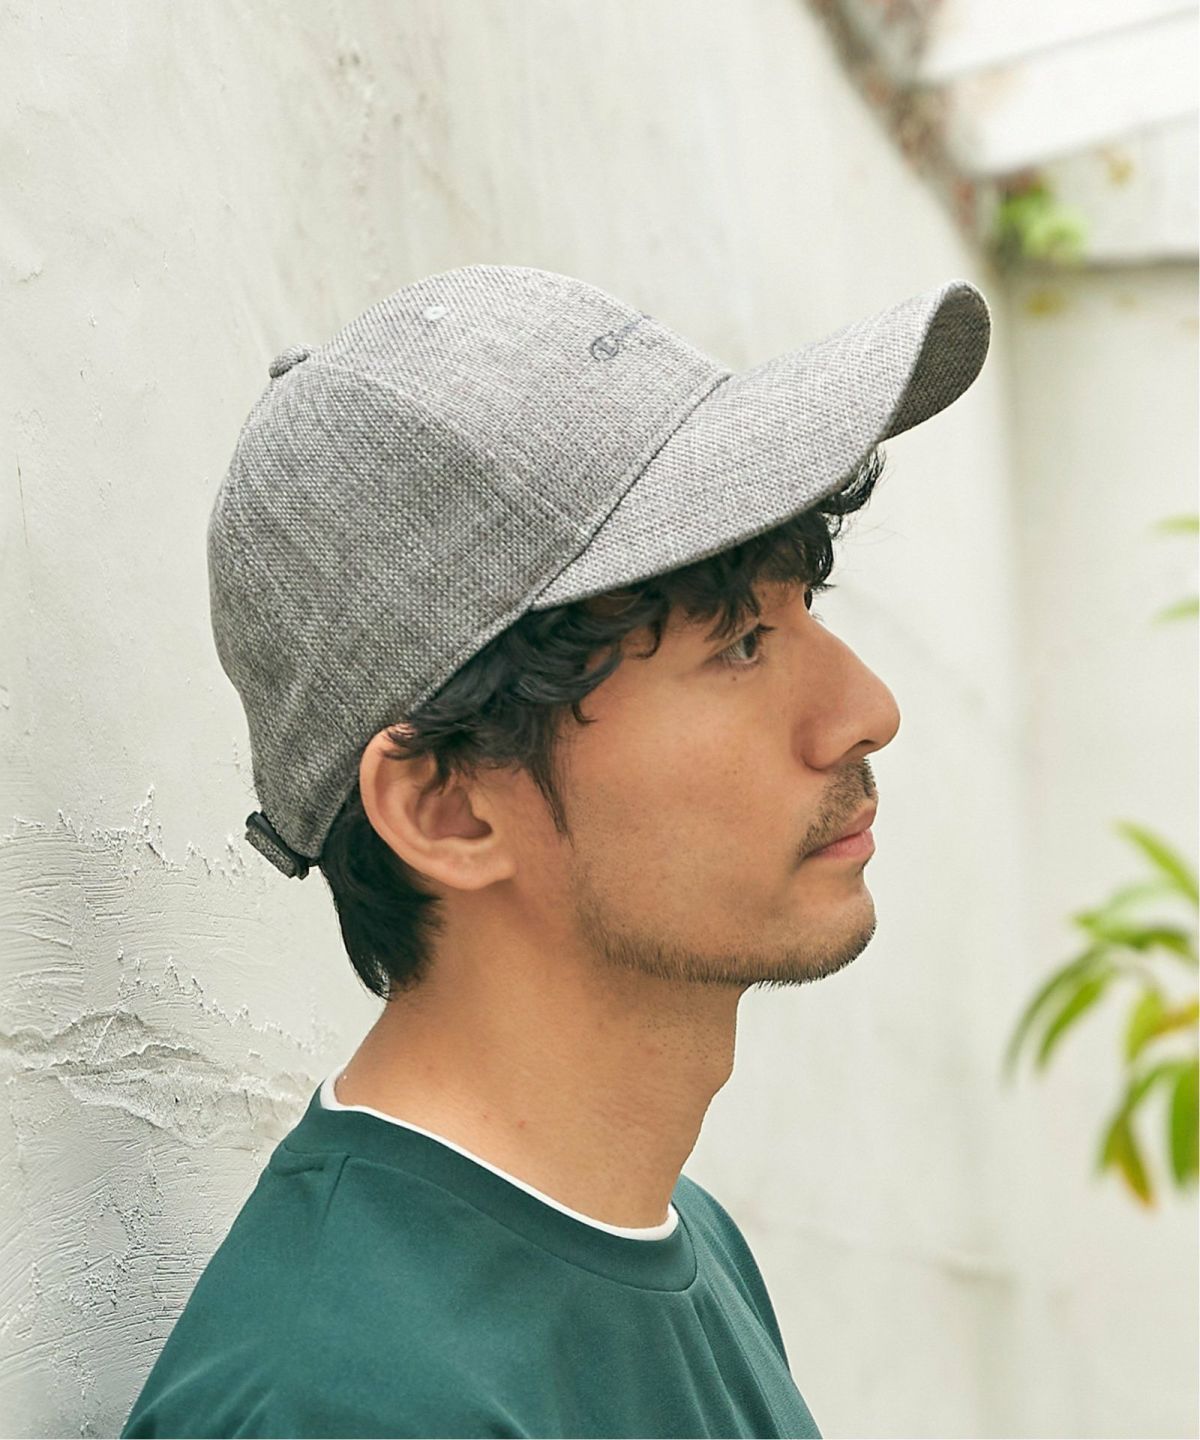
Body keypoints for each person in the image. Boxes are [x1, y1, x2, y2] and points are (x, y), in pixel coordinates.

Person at [121, 263, 990, 1438]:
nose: (867, 710)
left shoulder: (683, 1244)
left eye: (804, 608)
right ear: (448, 809)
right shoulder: (348, 1404)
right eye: (739, 642)